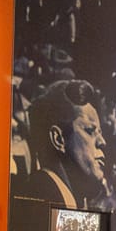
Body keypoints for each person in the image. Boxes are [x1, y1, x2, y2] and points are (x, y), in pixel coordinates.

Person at [21, 79, 108, 207]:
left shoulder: (63, 199)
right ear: (58, 139)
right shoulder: (39, 198)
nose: (102, 142)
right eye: (90, 130)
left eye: (100, 133)